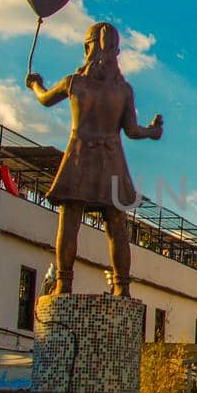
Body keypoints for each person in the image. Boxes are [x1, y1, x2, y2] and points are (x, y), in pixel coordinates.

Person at [27, 22, 163, 296]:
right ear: (115, 51)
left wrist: (35, 84)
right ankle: (121, 288)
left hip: (80, 156)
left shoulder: (74, 83)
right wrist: (153, 131)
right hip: (111, 159)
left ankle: (64, 282)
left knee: (70, 220)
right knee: (116, 225)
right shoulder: (123, 90)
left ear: (88, 48)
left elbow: (43, 99)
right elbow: (133, 131)